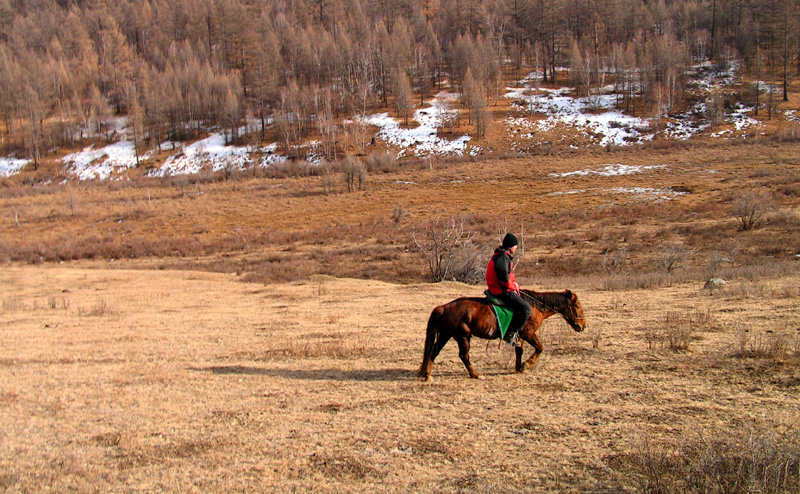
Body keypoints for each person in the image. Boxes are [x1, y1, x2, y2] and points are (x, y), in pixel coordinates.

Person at [485, 233, 532, 347]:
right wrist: (513, 286)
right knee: (526, 308)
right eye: (515, 245)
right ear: (510, 246)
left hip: (500, 288)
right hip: (500, 290)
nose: (516, 248)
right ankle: (510, 334)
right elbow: (504, 279)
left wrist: (514, 283)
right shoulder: (502, 258)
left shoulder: (501, 256)